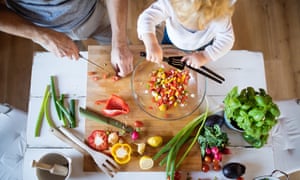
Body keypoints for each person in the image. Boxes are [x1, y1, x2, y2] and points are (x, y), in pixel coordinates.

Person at [0, 0, 133, 77]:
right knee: (77, 74)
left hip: (93, 14)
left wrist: (119, 42)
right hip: (44, 30)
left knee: (125, 57)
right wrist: (42, 36)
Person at [137, 0, 236, 68]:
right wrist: (151, 44)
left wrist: (205, 56)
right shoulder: (171, 3)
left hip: (202, 46)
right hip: (171, 40)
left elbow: (227, 39)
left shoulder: (220, 16)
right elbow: (146, 18)